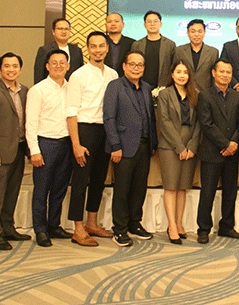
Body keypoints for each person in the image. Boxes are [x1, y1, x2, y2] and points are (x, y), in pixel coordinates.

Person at [65, 31, 118, 247]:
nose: (98, 50)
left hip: (106, 131)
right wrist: (76, 144)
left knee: (98, 179)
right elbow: (71, 112)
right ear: (88, 49)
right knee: (80, 181)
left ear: (107, 48)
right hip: (85, 130)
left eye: (101, 46)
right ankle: (78, 228)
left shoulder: (113, 74)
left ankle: (92, 223)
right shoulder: (78, 75)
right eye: (93, 46)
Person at [103, 51, 158, 247]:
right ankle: (119, 229)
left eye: (140, 65)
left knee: (139, 188)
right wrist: (115, 145)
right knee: (122, 189)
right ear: (124, 66)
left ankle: (135, 224)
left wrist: (153, 144)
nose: (136, 68)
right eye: (132, 64)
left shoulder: (146, 87)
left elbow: (150, 117)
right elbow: (109, 117)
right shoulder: (115, 86)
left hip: (144, 146)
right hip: (123, 147)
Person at [0, 52, 30, 251]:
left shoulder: (25, 91)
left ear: (20, 69)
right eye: (7, 66)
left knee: (12, 193)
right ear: (0, 68)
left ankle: (8, 229)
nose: (11, 70)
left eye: (15, 66)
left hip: (18, 149)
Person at [25, 49, 75, 247]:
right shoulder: (38, 90)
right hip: (45, 144)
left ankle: (54, 225)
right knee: (41, 189)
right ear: (47, 66)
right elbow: (31, 123)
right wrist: (34, 150)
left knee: (59, 188)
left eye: (62, 63)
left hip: (66, 144)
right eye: (54, 63)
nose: (58, 66)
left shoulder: (72, 88)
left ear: (68, 66)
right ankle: (40, 229)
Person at [196, 59, 239, 244]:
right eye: (222, 71)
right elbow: (206, 124)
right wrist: (225, 144)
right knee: (207, 192)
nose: (225, 75)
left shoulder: (237, 96)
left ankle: (227, 226)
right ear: (214, 73)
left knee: (230, 192)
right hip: (212, 152)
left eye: (228, 72)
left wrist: (233, 143)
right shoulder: (204, 95)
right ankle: (203, 229)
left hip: (232, 153)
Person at [156, 59, 201, 244]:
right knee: (171, 187)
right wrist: (179, 147)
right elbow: (164, 122)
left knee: (183, 187)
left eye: (185, 72)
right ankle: (172, 225)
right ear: (172, 74)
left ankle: (180, 223)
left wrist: (192, 146)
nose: (182, 75)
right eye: (178, 72)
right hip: (170, 146)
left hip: (190, 147)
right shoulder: (164, 94)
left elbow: (198, 123)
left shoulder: (195, 94)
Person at [132, 10, 176, 89]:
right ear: (145, 25)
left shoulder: (170, 44)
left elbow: (173, 67)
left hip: (163, 87)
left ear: (160, 24)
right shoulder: (137, 45)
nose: (152, 24)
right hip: (140, 86)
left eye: (155, 21)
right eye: (149, 21)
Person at [34, 18, 84, 83]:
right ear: (53, 32)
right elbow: (39, 74)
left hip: (73, 86)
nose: (64, 32)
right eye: (60, 29)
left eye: (66, 29)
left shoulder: (77, 50)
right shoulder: (45, 50)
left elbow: (81, 73)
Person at [174, 19, 219, 90]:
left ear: (204, 33)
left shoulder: (213, 52)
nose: (196, 34)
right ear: (187, 33)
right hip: (184, 90)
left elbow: (214, 76)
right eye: (193, 31)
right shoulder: (179, 50)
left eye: (200, 31)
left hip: (205, 92)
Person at [103, 12, 136, 77]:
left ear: (123, 24)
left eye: (116, 21)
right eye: (109, 22)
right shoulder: (101, 42)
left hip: (126, 80)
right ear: (106, 25)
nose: (113, 24)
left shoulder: (132, 43)